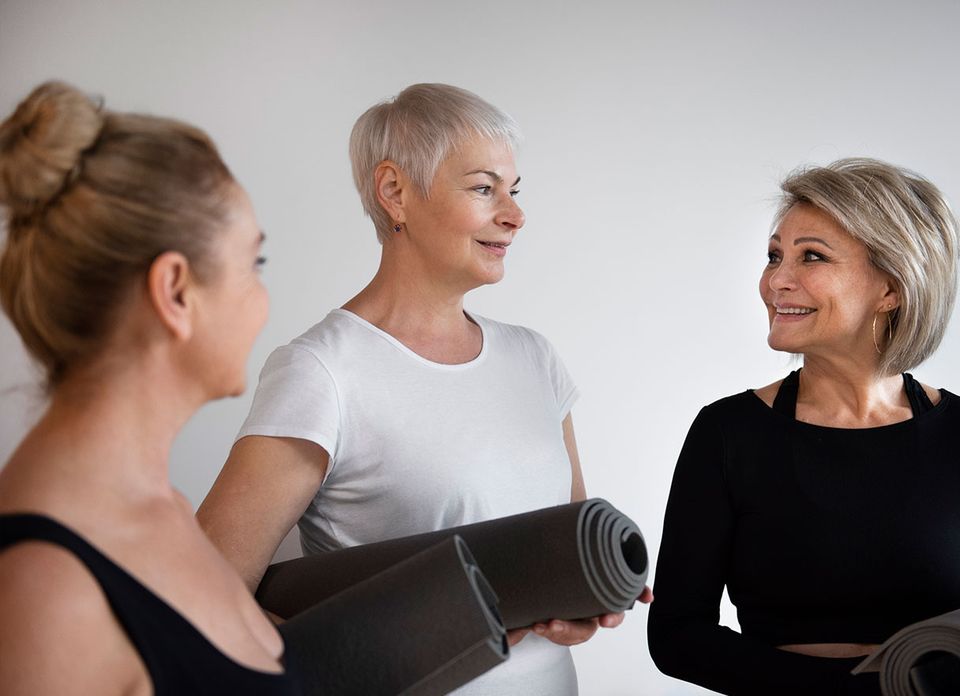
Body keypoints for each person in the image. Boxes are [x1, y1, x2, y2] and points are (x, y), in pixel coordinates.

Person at [197, 83, 647, 695]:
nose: (514, 214)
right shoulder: (323, 370)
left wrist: (584, 598)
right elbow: (203, 588)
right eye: (484, 188)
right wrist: (338, 661)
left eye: (513, 191)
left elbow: (564, 542)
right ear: (395, 192)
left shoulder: (533, 358)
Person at [0, 82, 296, 694]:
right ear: (176, 292)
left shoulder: (170, 510)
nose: (265, 302)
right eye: (254, 265)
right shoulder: (47, 593)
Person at [647, 158, 960, 695]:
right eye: (774, 256)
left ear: (892, 287)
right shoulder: (727, 433)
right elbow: (676, 633)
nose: (776, 281)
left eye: (811, 256)